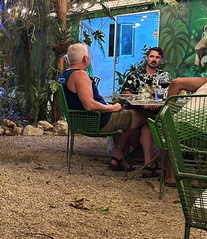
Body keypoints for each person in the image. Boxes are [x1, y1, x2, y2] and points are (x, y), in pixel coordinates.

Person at [59, 43, 148, 171]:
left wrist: (109, 106)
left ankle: (118, 157)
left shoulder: (64, 75)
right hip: (97, 121)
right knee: (146, 117)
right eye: (89, 55)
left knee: (126, 114)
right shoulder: (80, 75)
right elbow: (89, 105)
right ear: (85, 58)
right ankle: (147, 161)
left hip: (83, 120)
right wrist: (111, 108)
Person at [121, 47, 170, 177]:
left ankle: (148, 163)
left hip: (156, 111)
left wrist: (156, 103)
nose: (154, 59)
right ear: (147, 58)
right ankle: (149, 163)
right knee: (145, 121)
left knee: (149, 123)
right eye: (152, 56)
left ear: (161, 60)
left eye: (157, 57)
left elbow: (166, 94)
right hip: (138, 110)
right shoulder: (135, 75)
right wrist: (142, 102)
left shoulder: (164, 76)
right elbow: (125, 92)